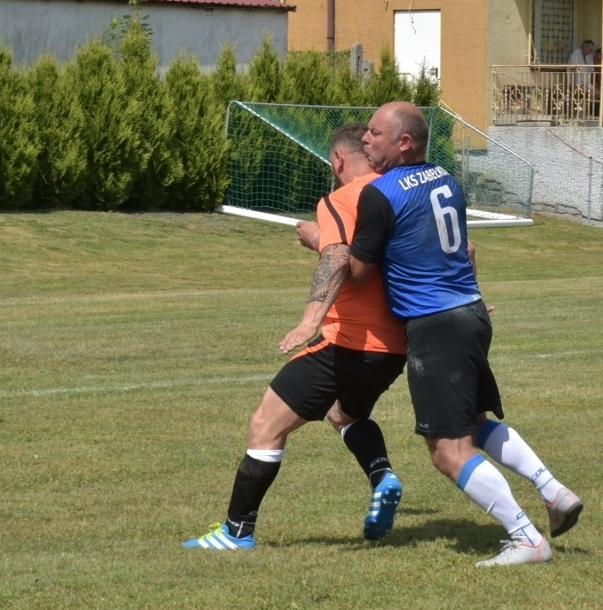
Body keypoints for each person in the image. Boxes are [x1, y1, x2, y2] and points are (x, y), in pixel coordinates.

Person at [348, 102, 582, 567]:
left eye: (374, 133)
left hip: (436, 326)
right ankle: (553, 492)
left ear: (405, 142)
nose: (365, 141)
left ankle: (527, 539)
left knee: (448, 451)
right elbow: (460, 246)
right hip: (472, 314)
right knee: (474, 423)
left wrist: (324, 242)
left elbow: (357, 273)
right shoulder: (445, 178)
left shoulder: (380, 194)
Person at [184, 124, 409, 551]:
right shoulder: (400, 193)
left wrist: (310, 318)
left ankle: (236, 532)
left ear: (340, 160)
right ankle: (383, 476)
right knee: (344, 414)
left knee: (266, 424)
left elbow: (340, 255)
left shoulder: (342, 198)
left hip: (348, 341)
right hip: (395, 347)